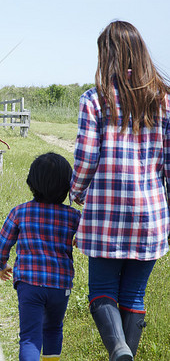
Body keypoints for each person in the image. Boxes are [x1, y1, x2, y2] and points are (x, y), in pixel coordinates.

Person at [70, 20, 170, 361]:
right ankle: (125, 354)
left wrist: (77, 192)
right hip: (151, 213)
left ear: (108, 55)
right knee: (135, 295)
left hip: (105, 212)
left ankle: (118, 348)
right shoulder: (164, 100)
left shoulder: (94, 99)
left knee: (101, 291)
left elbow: (85, 157)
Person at [0, 152, 81, 361]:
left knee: (30, 337)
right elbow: (89, 234)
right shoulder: (74, 216)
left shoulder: (20, 212)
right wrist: (81, 238)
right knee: (53, 329)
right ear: (67, 186)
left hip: (29, 285)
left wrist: (1, 264)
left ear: (31, 183)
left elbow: (1, 246)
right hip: (60, 285)